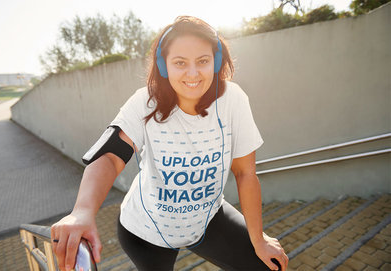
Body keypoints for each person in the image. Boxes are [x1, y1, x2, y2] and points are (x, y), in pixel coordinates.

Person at [51, 16, 289, 271]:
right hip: (146, 230)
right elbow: (110, 156)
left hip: (207, 219)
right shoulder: (145, 102)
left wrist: (258, 239)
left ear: (216, 61)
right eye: (180, 63)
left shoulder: (234, 101)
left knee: (270, 266)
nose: (193, 73)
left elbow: (245, 173)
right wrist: (82, 211)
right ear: (164, 67)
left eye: (203, 61)